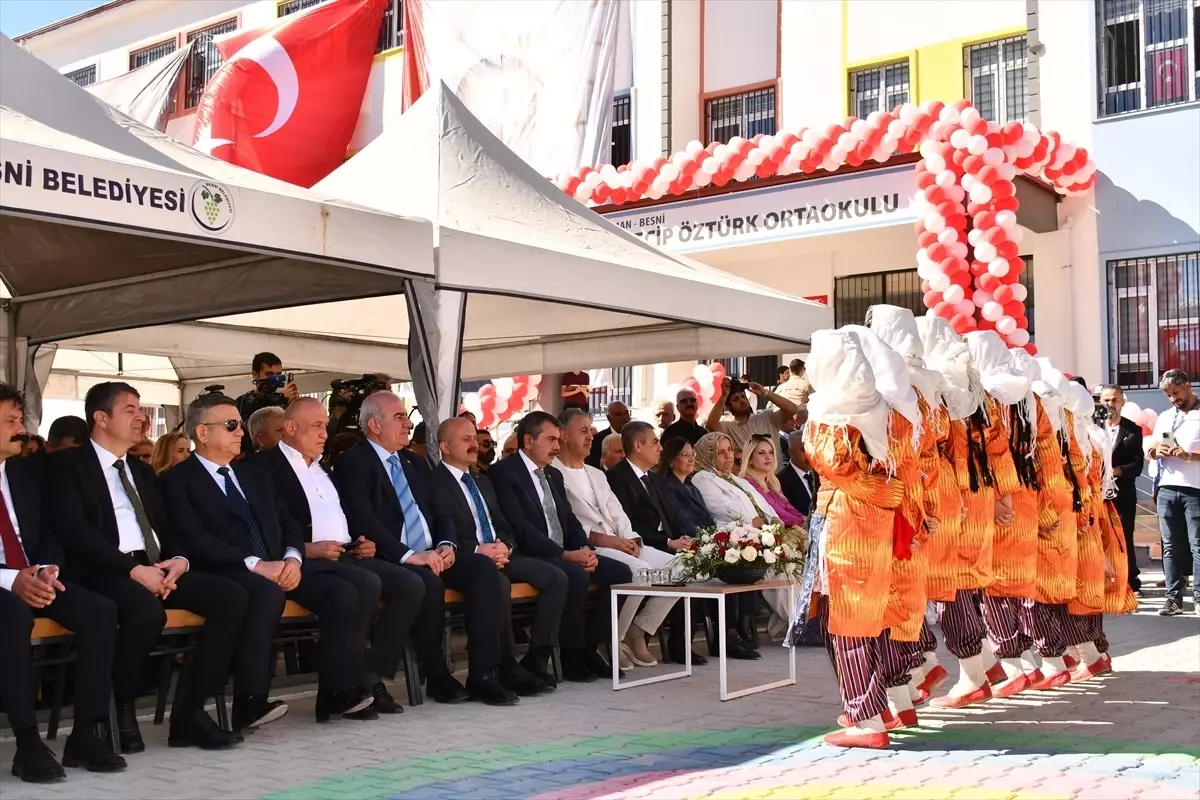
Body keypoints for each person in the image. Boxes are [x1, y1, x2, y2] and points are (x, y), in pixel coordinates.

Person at [45, 382, 246, 752]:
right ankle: (122, 706)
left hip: (154, 568)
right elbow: (75, 533)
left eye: (141, 409)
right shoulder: (67, 465)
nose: (142, 417)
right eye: (131, 410)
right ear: (101, 418)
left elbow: (169, 530)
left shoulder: (142, 471)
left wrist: (178, 562)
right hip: (102, 571)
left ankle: (189, 714)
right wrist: (133, 571)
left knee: (230, 596)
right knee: (144, 610)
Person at [163, 392, 378, 726]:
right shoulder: (178, 480)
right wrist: (257, 564)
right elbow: (196, 540)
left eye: (240, 425)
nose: (240, 432)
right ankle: (250, 701)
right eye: (231, 425)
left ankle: (336, 693)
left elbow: (287, 520)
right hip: (228, 569)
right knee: (265, 594)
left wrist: (293, 558)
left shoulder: (250, 474)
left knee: (344, 592)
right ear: (202, 433)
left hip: (279, 566)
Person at [333, 391, 515, 705]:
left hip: (434, 552)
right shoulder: (353, 462)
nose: (408, 424)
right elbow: (364, 520)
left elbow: (440, 511)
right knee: (427, 582)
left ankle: (483, 674)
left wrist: (447, 544)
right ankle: (436, 674)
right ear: (375, 425)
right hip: (394, 556)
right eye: (399, 417)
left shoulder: (414, 462)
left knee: (484, 570)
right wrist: (410, 555)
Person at [252, 398, 429, 715]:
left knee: (410, 585)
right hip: (302, 561)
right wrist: (306, 548)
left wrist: (361, 542)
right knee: (359, 586)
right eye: (317, 426)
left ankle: (369, 678)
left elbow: (347, 516)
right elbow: (268, 526)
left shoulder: (322, 467)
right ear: (290, 428)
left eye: (325, 425)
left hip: (345, 555)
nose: (325, 433)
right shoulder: (265, 467)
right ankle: (339, 690)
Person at [0, 383, 126, 782]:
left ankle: (85, 735)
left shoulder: (23, 474)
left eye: (20, 420)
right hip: (4, 585)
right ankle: (28, 744)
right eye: (11, 421)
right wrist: (11, 579)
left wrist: (45, 570)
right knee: (13, 614)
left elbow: (50, 531)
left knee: (99, 611)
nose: (21, 429)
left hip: (31, 576)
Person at [792, 329, 901, 749]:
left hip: (844, 521)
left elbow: (832, 466)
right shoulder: (883, 406)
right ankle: (878, 705)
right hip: (877, 522)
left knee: (846, 620)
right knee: (872, 614)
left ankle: (866, 717)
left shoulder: (828, 412)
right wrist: (885, 494)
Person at [489, 411, 633, 681]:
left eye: (558, 439)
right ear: (528, 441)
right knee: (575, 575)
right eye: (551, 439)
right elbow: (520, 527)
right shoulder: (504, 473)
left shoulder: (553, 474)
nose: (557, 446)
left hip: (563, 551)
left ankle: (590, 648)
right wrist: (565, 554)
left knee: (621, 573)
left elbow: (569, 520)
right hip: (530, 552)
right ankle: (569, 655)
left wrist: (584, 548)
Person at [432, 417, 562, 694]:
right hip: (462, 560)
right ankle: (499, 667)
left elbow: (503, 524)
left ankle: (536, 658)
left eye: (474, 438)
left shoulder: (482, 479)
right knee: (495, 582)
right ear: (444, 446)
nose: (474, 444)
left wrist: (506, 547)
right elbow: (440, 529)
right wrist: (478, 550)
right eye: (465, 439)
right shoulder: (434, 482)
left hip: (499, 556)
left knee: (555, 577)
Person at [557, 412, 689, 667]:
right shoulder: (553, 473)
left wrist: (632, 540)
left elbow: (617, 511)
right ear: (563, 435)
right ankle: (613, 640)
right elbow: (569, 522)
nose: (590, 436)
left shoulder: (595, 473)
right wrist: (612, 542)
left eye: (590, 430)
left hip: (621, 541)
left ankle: (638, 629)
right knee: (639, 571)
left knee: (682, 568)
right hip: (592, 545)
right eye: (583, 431)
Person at [691, 431, 774, 659]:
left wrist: (772, 519)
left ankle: (743, 626)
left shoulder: (735, 479)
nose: (729, 456)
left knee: (752, 561)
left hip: (749, 534)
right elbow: (720, 507)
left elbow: (761, 503)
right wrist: (755, 523)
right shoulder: (703, 478)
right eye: (721, 452)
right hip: (722, 535)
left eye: (730, 450)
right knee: (741, 563)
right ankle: (729, 633)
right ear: (708, 455)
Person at [1148, 369, 1200, 617]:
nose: (1173, 399)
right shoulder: (1165, 416)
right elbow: (1152, 447)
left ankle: (1199, 597)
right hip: (1167, 487)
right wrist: (1156, 452)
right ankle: (1173, 599)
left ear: (1188, 386)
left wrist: (1189, 456)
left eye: (1176, 392)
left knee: (1197, 545)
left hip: (1195, 489)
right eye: (1168, 395)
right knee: (1170, 546)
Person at [1098, 385, 1145, 593]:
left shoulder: (1133, 430)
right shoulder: (1091, 427)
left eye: (1115, 400)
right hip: (1096, 493)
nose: (1111, 404)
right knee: (1097, 536)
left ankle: (1130, 580)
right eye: (1106, 400)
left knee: (1123, 536)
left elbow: (1137, 464)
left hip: (1122, 493)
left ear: (1122, 402)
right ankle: (1101, 579)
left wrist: (1117, 471)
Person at [705, 377, 799, 462]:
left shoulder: (767, 416)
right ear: (728, 408)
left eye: (743, 396)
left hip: (776, 474)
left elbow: (792, 409)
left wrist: (765, 393)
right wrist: (724, 396)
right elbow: (711, 425)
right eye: (736, 399)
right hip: (748, 476)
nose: (742, 401)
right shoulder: (728, 426)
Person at [235, 353, 299, 453]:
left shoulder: (282, 400)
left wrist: (293, 405)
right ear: (255, 375)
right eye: (269, 374)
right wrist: (281, 397)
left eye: (278, 374)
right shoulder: (245, 401)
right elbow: (258, 400)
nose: (275, 379)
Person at [656, 437, 714, 538]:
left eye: (692, 454)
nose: (691, 459)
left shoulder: (693, 488)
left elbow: (706, 517)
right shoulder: (666, 488)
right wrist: (705, 538)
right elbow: (682, 522)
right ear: (671, 461)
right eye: (685, 455)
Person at [778, 433, 818, 518]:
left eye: (810, 448)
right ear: (791, 453)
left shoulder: (820, 475)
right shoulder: (781, 481)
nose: (809, 454)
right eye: (803, 449)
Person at [586, 401, 631, 469]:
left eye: (626, 413)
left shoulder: (636, 437)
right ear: (609, 418)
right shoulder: (596, 441)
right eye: (619, 414)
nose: (625, 418)